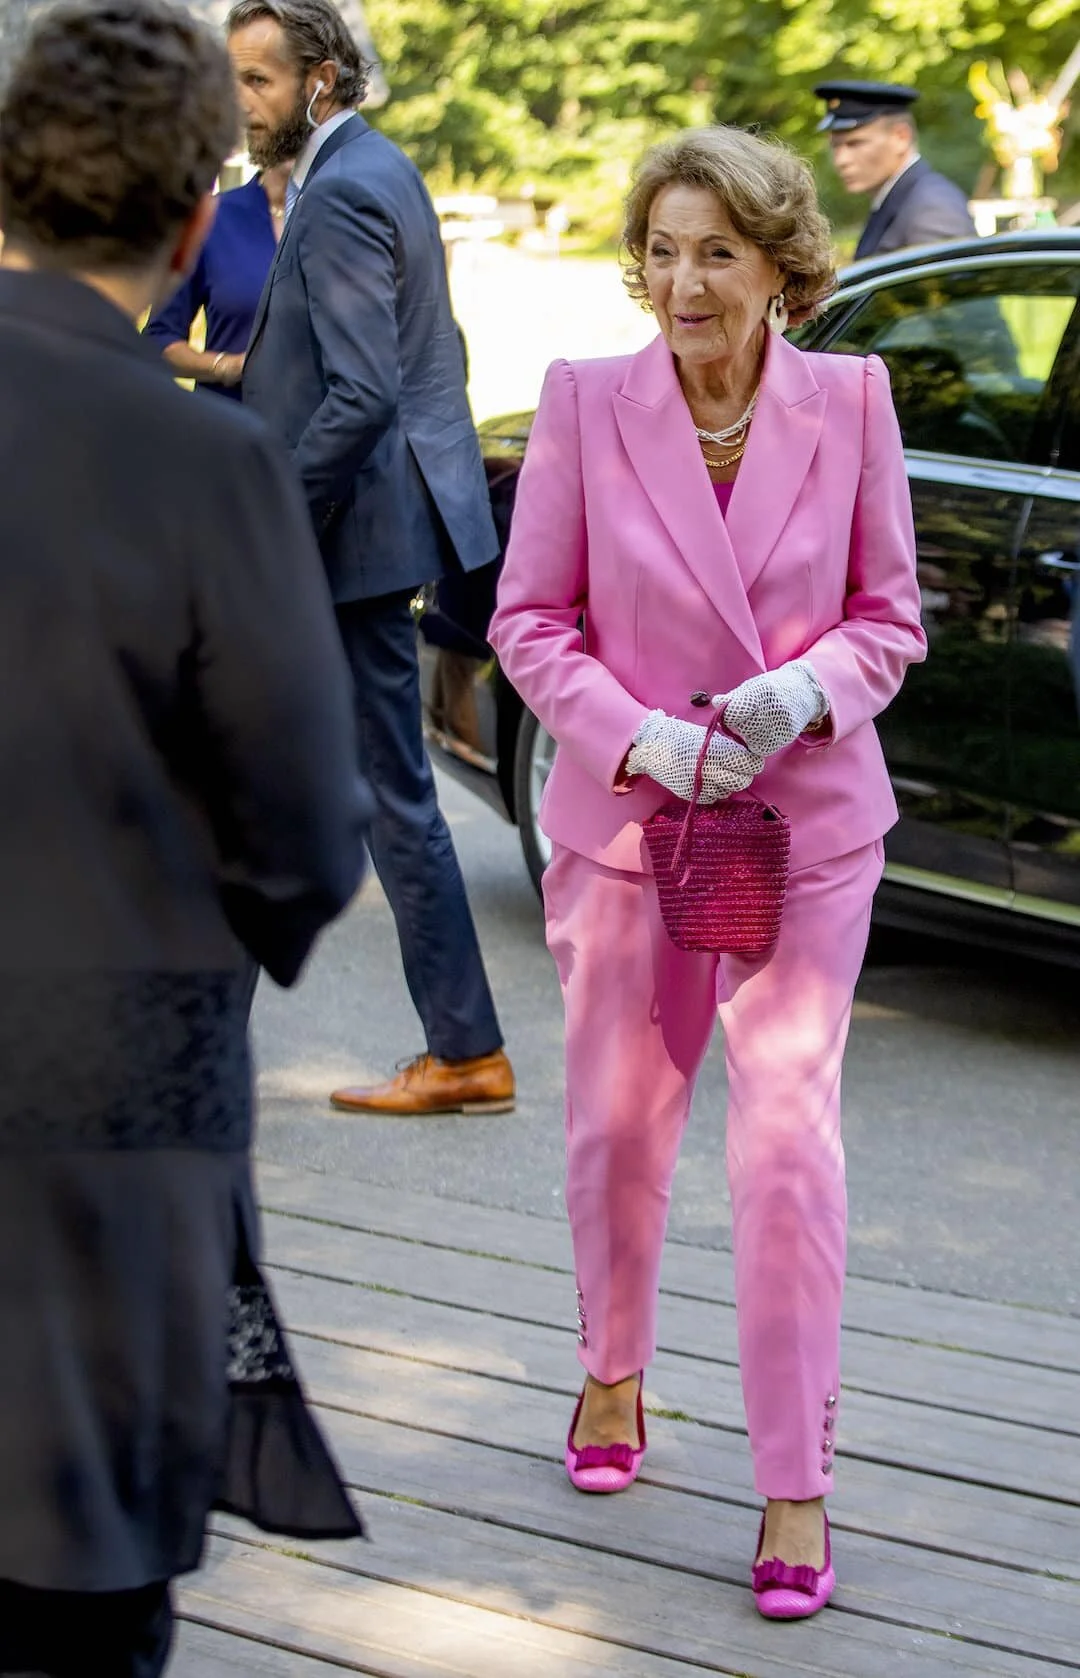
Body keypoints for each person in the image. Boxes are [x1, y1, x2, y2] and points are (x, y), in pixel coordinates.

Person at [488, 126, 927, 1620]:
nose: (682, 281)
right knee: (619, 1126)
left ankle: (794, 1473)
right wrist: (641, 743)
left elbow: (890, 618)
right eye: (663, 249)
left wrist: (803, 694)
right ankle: (611, 1374)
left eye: (715, 253)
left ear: (778, 267)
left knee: (787, 1147)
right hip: (629, 825)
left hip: (805, 826)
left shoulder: (855, 399)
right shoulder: (582, 402)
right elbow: (530, 619)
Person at [0, 3, 375, 1672]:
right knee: (84, 1607)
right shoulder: (204, 463)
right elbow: (305, 839)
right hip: (111, 1116)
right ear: (183, 226)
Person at [231, 0, 515, 1119]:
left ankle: (465, 1047)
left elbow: (361, 393)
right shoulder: (373, 167)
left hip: (341, 540)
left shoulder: (344, 185)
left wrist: (272, 529)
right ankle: (463, 1043)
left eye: (258, 81)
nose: (240, 104)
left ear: (323, 80)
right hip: (367, 532)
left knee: (377, 791)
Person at [143, 162, 290, 397]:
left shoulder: (344, 216)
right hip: (234, 419)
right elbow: (158, 339)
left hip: (325, 426)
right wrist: (226, 366)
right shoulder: (217, 215)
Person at [815, 80, 976, 258]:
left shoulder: (932, 209)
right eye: (835, 146)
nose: (841, 160)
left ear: (901, 137)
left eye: (855, 144)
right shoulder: (899, 199)